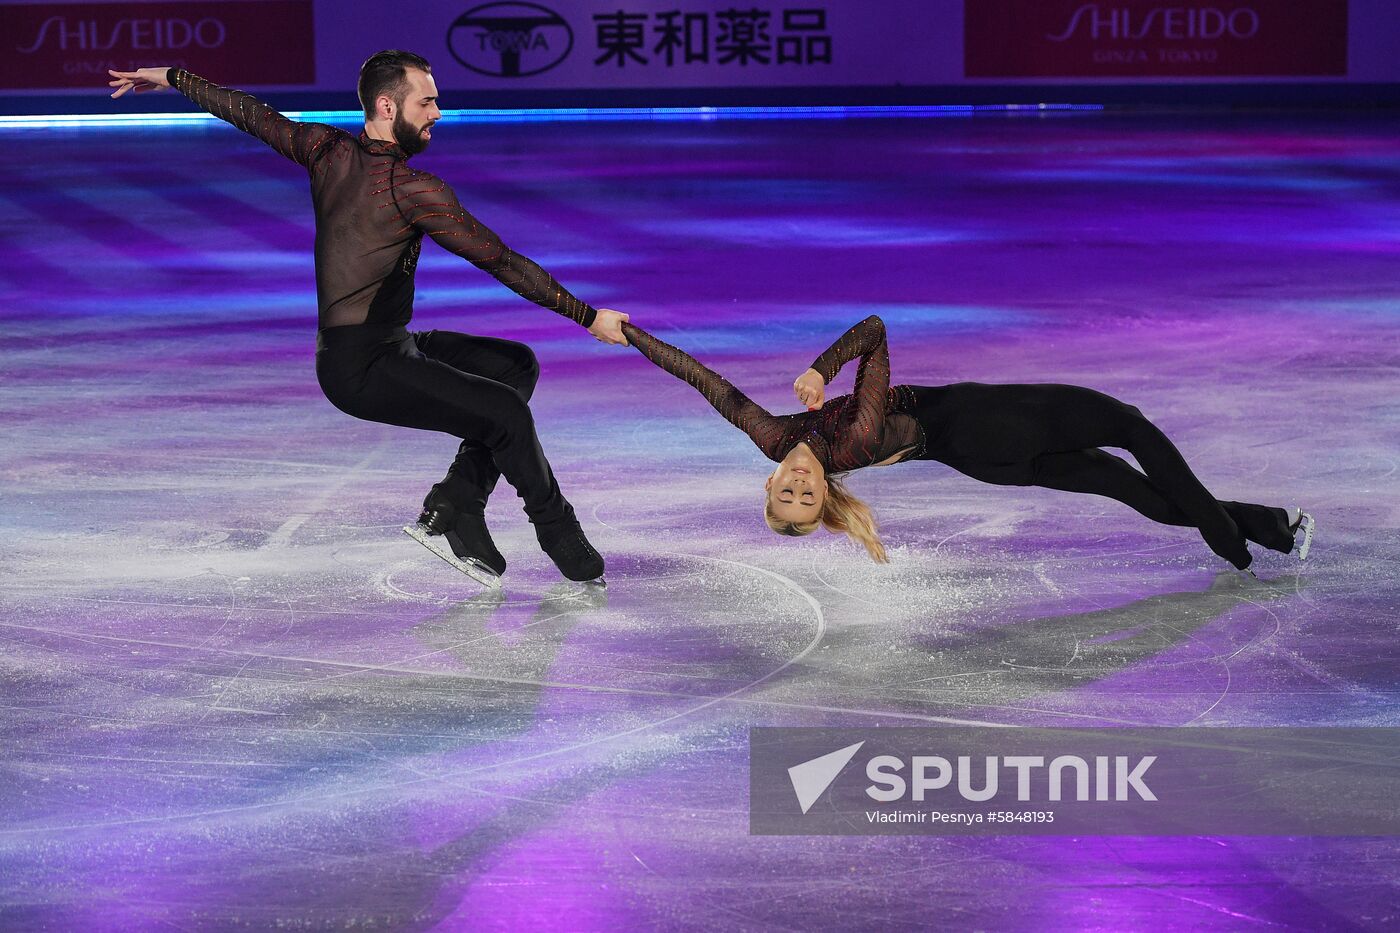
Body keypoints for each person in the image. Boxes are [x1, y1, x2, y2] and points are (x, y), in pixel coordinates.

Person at [108, 51, 628, 584]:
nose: (437, 113)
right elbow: (503, 262)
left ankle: (458, 504)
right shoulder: (413, 191)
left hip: (388, 346)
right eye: (426, 102)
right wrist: (589, 317)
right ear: (386, 104)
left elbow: (250, 113)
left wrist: (173, 77)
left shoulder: (326, 151)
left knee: (514, 366)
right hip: (360, 368)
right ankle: (557, 532)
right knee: (506, 414)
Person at [621, 315, 1313, 570]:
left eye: (789, 491)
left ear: (770, 483)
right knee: (1129, 425)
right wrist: (820, 368)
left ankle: (1269, 530)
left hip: (988, 462)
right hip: (991, 425)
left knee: (1132, 489)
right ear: (824, 491)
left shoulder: (771, 435)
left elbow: (702, 380)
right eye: (809, 496)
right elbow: (875, 331)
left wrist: (620, 330)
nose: (800, 483)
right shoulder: (852, 439)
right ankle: (1236, 541)